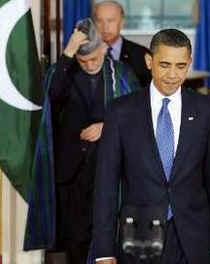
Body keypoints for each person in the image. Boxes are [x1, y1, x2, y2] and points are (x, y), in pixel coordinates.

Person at [93, 29, 210, 264]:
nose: (172, 75)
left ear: (189, 64)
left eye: (181, 66)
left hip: (193, 239)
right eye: (165, 65)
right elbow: (106, 186)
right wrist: (104, 251)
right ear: (149, 61)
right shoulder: (121, 112)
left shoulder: (207, 111)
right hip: (138, 238)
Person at [48, 18, 140, 264]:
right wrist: (68, 54)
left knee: (107, 235)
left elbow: (139, 117)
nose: (89, 65)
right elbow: (50, 97)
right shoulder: (67, 72)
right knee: (75, 241)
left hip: (109, 170)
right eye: (83, 60)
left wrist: (106, 127)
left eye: (94, 59)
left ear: (104, 49)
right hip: (72, 172)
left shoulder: (121, 74)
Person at [93, 0, 152, 87]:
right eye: (99, 21)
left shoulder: (141, 54)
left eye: (110, 20)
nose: (105, 27)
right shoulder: (84, 55)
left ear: (122, 22)